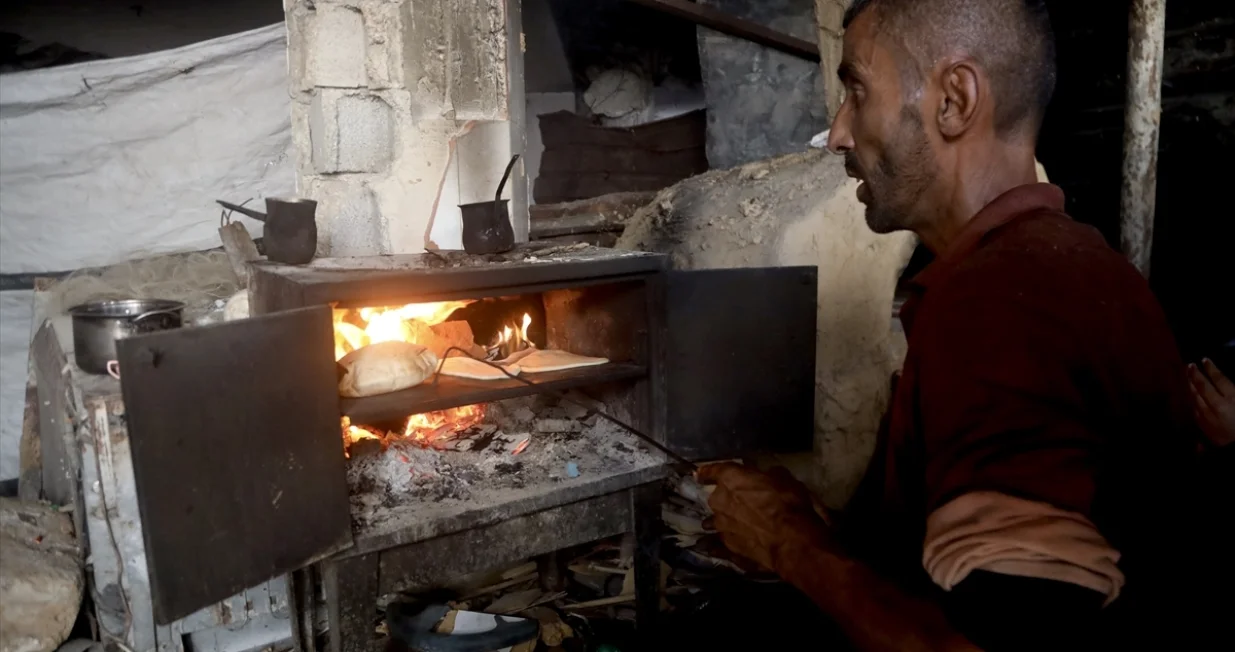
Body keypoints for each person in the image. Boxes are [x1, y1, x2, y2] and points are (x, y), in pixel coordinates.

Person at [697, 0, 1210, 649]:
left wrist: (789, 545)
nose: (837, 133)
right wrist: (823, 533)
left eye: (856, 90)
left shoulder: (1003, 305)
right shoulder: (1063, 262)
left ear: (954, 100)